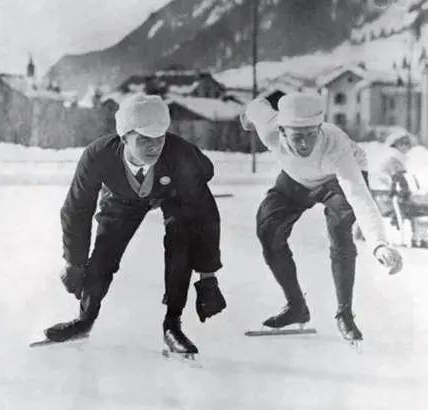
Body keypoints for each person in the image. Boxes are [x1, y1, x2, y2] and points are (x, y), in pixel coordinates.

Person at [43, 93, 226, 355]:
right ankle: (84, 320)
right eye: (143, 139)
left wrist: (208, 276)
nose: (153, 147)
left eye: (159, 139)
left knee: (180, 243)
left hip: (172, 191)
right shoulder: (98, 156)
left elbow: (205, 213)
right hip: (122, 198)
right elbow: (76, 210)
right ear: (124, 137)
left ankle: (173, 324)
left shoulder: (181, 156)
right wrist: (74, 262)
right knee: (103, 255)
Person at [241, 93, 403, 343]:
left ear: (319, 127)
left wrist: (379, 243)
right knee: (267, 228)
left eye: (311, 134)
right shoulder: (269, 130)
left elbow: (359, 196)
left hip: (336, 180)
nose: (305, 144)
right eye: (297, 137)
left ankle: (344, 314)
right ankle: (296, 306)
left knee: (340, 232)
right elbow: (256, 106)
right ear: (282, 131)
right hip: (296, 178)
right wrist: (247, 118)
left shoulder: (334, 144)